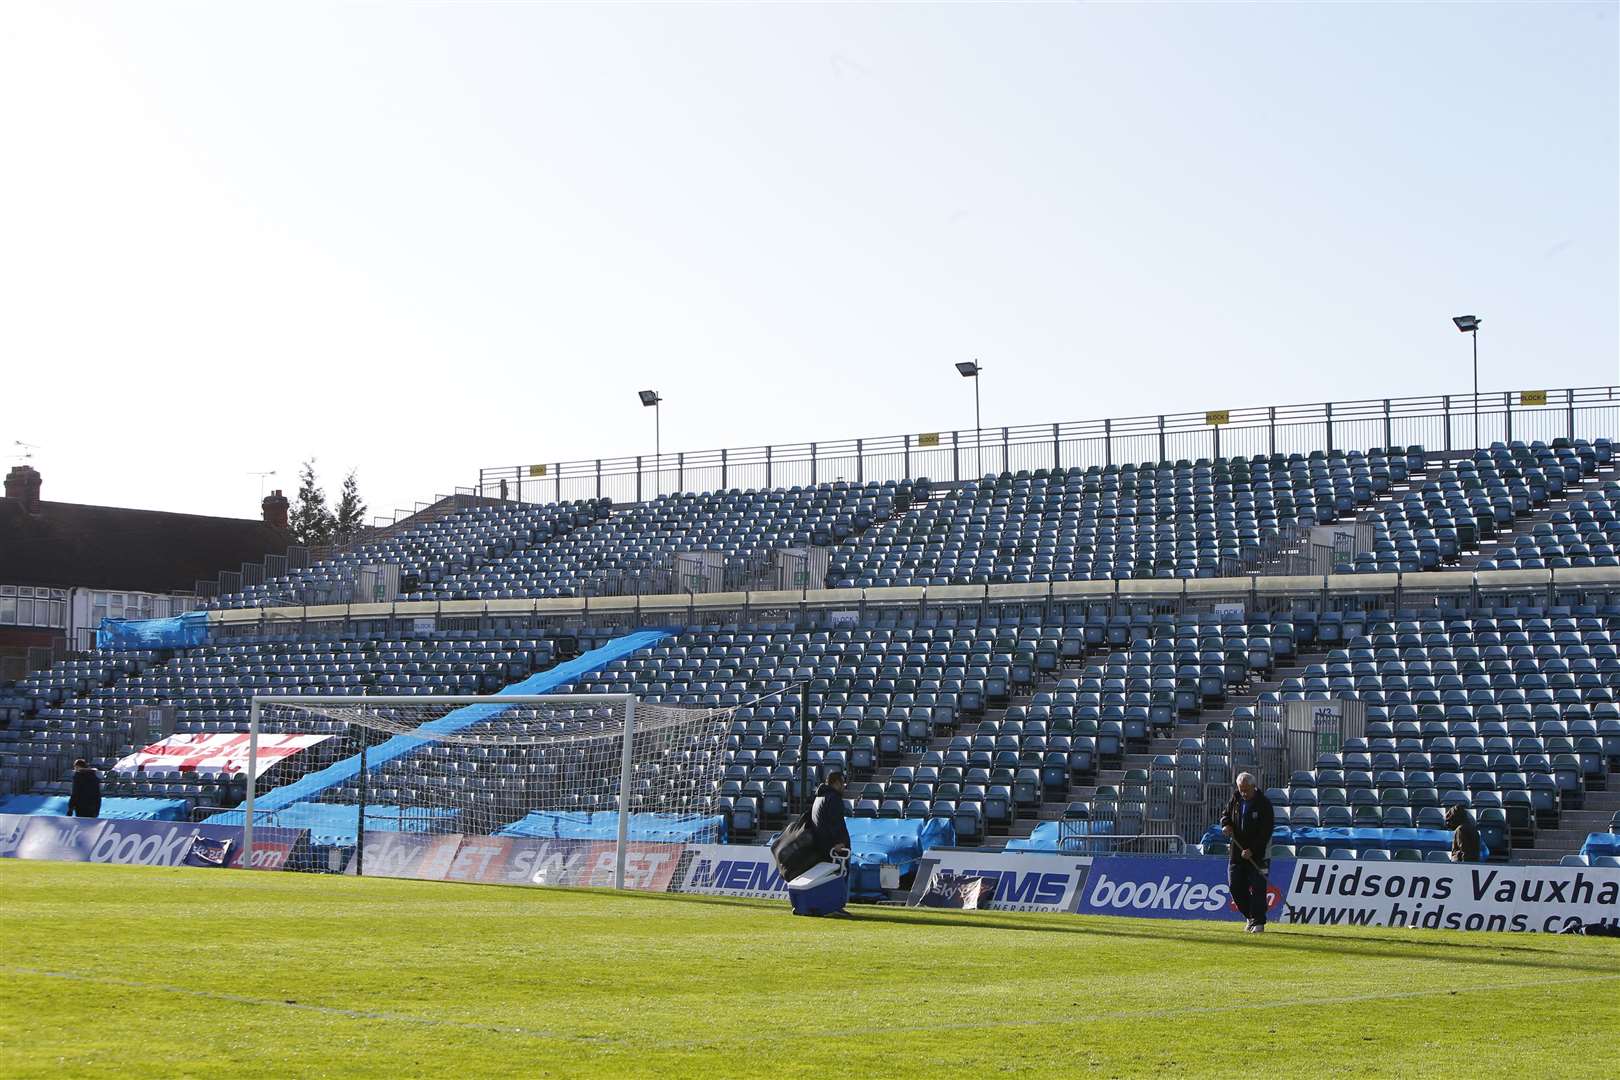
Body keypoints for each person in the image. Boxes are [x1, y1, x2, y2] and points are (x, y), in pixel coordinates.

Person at [1220, 772, 1275, 933]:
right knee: (1234, 886)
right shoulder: (1236, 799)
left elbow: (1266, 832)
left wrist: (1253, 850)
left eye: (1246, 790)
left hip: (1258, 854)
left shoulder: (1264, 804)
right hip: (1237, 853)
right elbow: (1225, 815)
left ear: (1253, 786)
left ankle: (1259, 922)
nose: (1243, 793)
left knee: (1258, 888)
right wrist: (1226, 825)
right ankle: (1250, 916)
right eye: (1241, 789)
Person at [810, 767, 851, 863]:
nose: (844, 786)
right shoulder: (833, 798)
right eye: (843, 783)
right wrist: (841, 842)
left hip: (820, 848)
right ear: (837, 783)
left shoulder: (819, 798)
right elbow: (835, 822)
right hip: (832, 852)